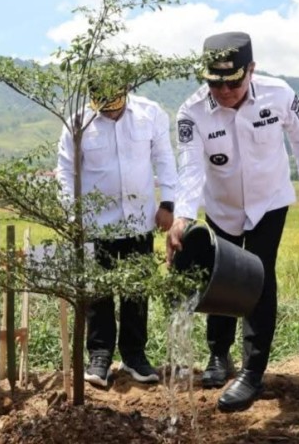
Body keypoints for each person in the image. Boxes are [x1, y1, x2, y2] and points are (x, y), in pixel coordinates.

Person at [166, 31, 299, 413]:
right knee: (218, 275)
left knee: (258, 276)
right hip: (222, 206)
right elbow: (189, 167)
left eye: (233, 82)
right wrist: (183, 215)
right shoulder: (191, 112)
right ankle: (218, 355)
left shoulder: (279, 94)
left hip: (269, 203)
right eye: (215, 83)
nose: (224, 91)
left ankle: (253, 370)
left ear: (251, 69)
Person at [55, 76, 177, 388]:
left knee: (137, 289)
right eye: (104, 109)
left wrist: (168, 203)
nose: (110, 114)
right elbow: (66, 172)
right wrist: (73, 215)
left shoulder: (150, 114)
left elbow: (164, 158)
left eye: (115, 107)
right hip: (96, 224)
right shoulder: (78, 123)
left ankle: (135, 355)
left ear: (126, 92)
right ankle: (100, 355)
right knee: (98, 291)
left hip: (139, 220)